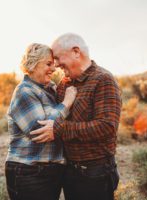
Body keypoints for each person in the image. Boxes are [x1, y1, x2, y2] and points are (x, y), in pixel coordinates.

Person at [30, 33, 122, 200]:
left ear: (76, 52)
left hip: (95, 173)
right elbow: (55, 116)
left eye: (57, 58)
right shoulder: (64, 84)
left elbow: (106, 126)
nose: (56, 65)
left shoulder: (103, 80)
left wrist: (59, 129)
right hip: (69, 170)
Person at [5, 43, 77, 200]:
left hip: (51, 171)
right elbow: (40, 131)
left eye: (54, 64)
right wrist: (66, 103)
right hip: (29, 172)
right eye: (48, 64)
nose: (54, 68)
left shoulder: (50, 88)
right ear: (33, 64)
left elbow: (55, 125)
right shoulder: (24, 91)